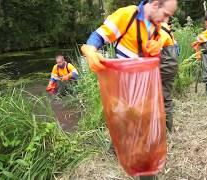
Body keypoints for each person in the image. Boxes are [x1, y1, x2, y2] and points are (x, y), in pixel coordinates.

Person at [81, 0, 177, 179]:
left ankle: (145, 170)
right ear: (155, 4)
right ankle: (121, 150)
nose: (166, 20)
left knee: (144, 134)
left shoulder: (157, 27)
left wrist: (154, 51)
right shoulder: (128, 15)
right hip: (123, 85)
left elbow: (149, 56)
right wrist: (90, 49)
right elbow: (99, 36)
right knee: (124, 121)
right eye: (165, 14)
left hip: (145, 86)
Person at [159, 22, 179, 131]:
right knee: (166, 98)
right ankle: (168, 128)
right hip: (171, 67)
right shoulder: (167, 29)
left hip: (163, 68)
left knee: (154, 98)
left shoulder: (159, 31)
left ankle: (160, 129)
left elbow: (154, 50)